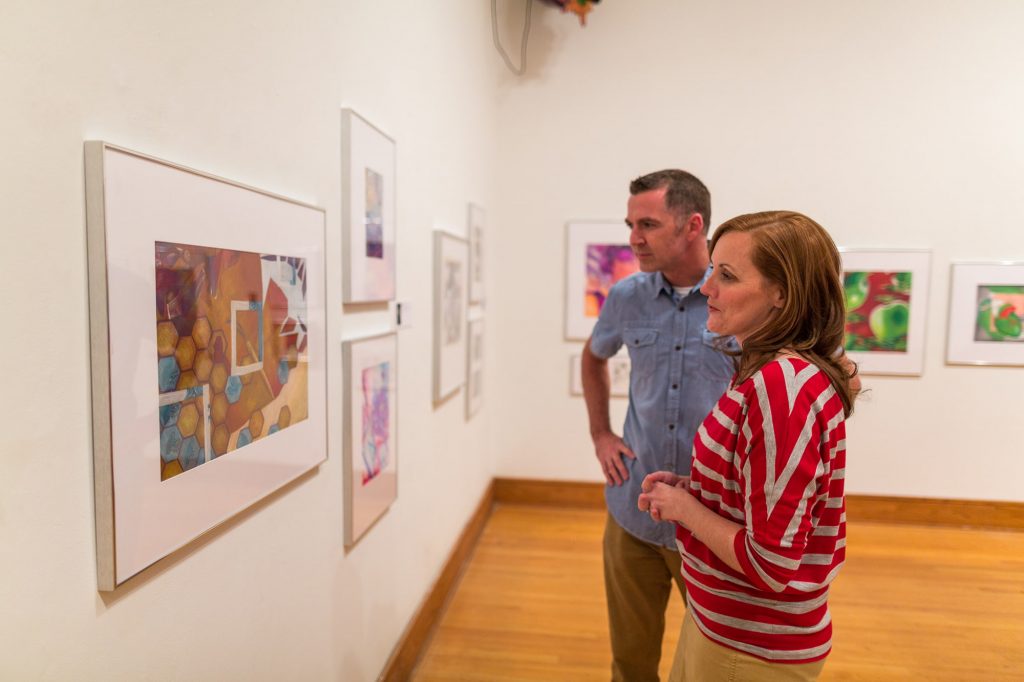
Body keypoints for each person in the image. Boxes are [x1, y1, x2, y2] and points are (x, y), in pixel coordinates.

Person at [638, 211, 857, 681]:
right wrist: (695, 489)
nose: (706, 288)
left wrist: (682, 507)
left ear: (783, 293)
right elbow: (753, 495)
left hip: (752, 645)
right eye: (713, 269)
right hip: (726, 625)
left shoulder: (783, 387)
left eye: (728, 275)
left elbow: (772, 562)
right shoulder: (768, 371)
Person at [581, 169, 735, 682]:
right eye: (630, 223)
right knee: (630, 662)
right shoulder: (626, 297)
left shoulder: (738, 297)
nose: (633, 238)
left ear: (693, 226)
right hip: (633, 511)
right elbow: (593, 355)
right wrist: (601, 434)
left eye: (647, 223)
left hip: (712, 521)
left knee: (707, 667)